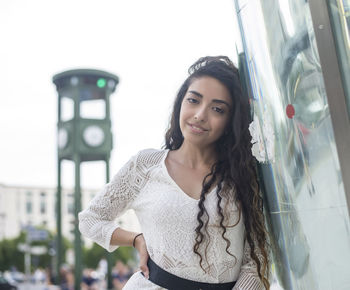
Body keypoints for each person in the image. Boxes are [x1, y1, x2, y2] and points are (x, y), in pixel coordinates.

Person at [79, 56, 270, 289]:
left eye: (217, 109)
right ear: (181, 102)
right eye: (193, 100)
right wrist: (136, 239)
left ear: (230, 120)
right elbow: (90, 219)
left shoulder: (244, 174)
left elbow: (256, 261)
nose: (200, 114)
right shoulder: (146, 165)